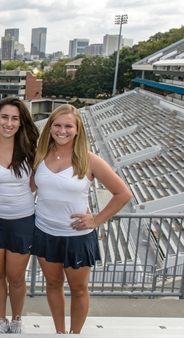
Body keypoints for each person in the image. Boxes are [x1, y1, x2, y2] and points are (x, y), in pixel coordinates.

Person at [31, 104, 132, 334]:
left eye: (68, 126)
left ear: (78, 130)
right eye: (57, 125)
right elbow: (30, 186)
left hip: (76, 236)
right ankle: (60, 332)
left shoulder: (89, 160)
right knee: (53, 284)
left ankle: (74, 333)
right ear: (50, 127)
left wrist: (96, 220)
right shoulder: (40, 155)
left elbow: (123, 193)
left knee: (78, 289)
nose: (62, 130)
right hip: (45, 232)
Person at [0, 97, 39, 334]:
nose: (9, 123)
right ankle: (0, 319)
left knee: (16, 277)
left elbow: (34, 184)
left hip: (22, 221)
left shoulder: (31, 150)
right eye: (4, 117)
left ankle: (17, 319)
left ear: (21, 123)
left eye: (14, 118)